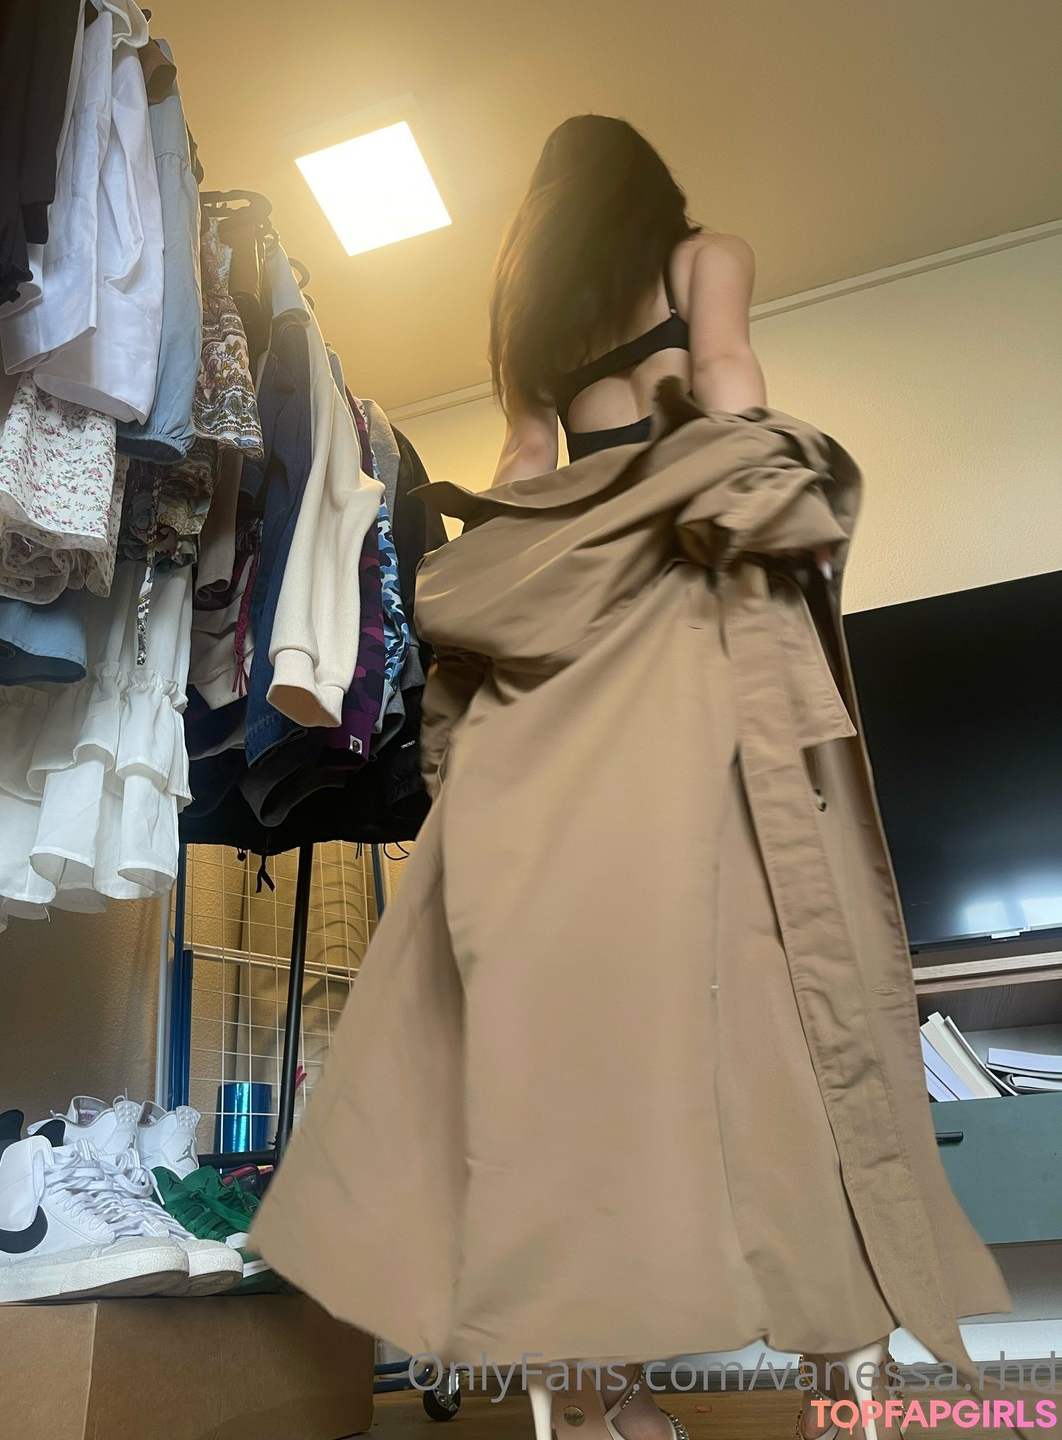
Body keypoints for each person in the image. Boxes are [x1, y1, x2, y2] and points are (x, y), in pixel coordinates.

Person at [248, 115, 1019, 1440]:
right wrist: (780, 517)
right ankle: (853, 1362)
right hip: (688, 614)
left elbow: (524, 475)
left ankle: (594, 1393)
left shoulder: (533, 325)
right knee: (775, 970)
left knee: (571, 1012)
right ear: (653, 192)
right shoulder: (707, 256)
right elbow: (727, 385)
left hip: (567, 649)